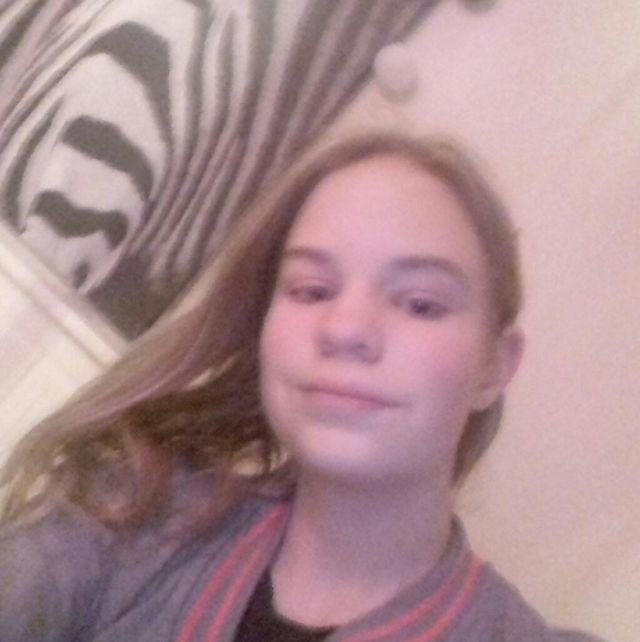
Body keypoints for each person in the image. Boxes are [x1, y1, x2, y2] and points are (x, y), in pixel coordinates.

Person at [0, 133, 605, 641]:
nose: (344, 329)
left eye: (420, 303)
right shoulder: (126, 515)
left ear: (495, 366)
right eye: (311, 290)